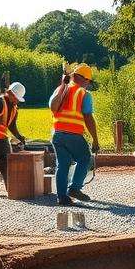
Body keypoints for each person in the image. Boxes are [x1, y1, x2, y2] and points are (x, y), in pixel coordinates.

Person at [49, 63, 100, 206]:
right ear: (85, 79)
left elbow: (52, 107)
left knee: (62, 164)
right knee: (85, 158)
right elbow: (88, 117)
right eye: (89, 81)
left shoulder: (61, 89)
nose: (88, 84)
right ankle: (74, 188)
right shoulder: (83, 94)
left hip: (57, 134)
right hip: (73, 134)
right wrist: (95, 139)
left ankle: (62, 197)